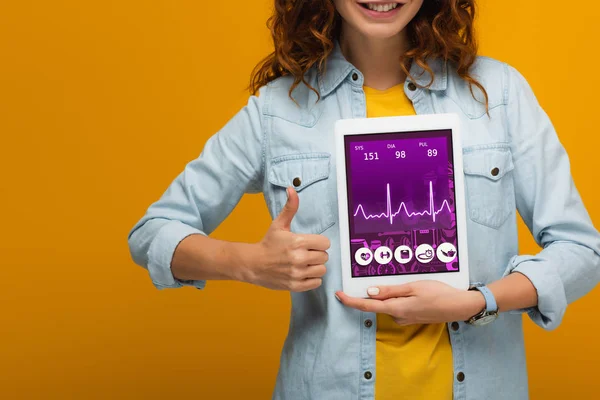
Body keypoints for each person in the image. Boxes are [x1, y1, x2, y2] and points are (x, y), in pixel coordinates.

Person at [127, 0, 600, 399]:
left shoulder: (499, 94)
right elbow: (152, 234)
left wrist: (477, 302)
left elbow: (581, 250)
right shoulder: (277, 111)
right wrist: (250, 263)